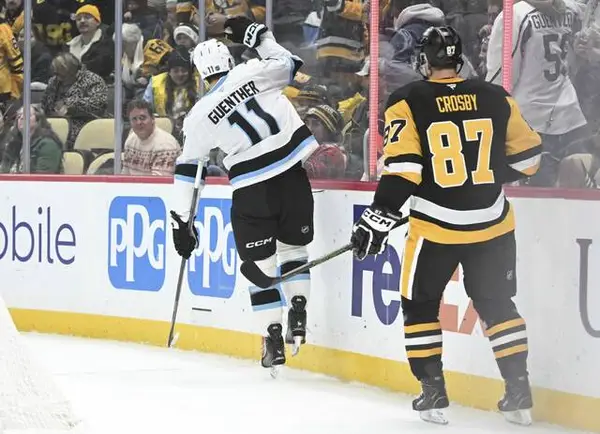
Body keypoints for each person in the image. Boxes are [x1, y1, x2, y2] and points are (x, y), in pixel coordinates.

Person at [350, 26, 542, 426]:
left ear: (424, 60)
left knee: (420, 305)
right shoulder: (496, 96)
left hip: (436, 228)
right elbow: (529, 160)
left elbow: (404, 170)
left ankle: (433, 392)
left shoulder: (407, 100)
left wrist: (378, 216)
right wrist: (482, 176)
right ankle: (519, 391)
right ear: (459, 58)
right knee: (497, 304)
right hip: (492, 224)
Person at [169, 17, 318, 373]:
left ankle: (273, 339)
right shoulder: (254, 71)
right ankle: (298, 311)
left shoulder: (198, 116)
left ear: (200, 74)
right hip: (293, 177)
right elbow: (289, 63)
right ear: (229, 60)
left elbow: (188, 170)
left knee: (260, 269)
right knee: (294, 251)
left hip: (252, 190)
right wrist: (259, 35)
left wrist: (182, 223)